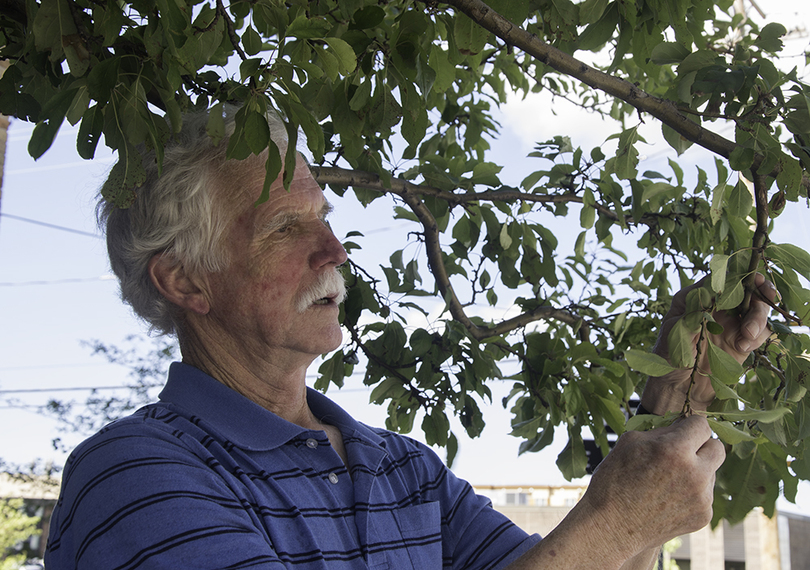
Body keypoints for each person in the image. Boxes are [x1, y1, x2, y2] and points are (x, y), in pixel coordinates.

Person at [44, 107, 776, 570]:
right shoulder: (134, 476)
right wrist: (612, 525)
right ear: (185, 282)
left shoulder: (404, 470)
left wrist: (676, 401)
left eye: (325, 218)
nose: (336, 250)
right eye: (285, 227)